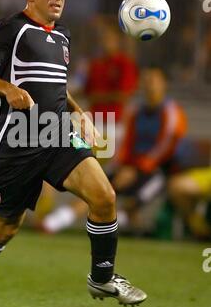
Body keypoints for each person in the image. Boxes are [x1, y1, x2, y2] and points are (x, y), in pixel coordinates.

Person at [0, 0, 147, 307]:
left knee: (104, 196)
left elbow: (57, 89)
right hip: (17, 141)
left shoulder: (63, 36)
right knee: (7, 225)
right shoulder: (9, 29)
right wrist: (7, 89)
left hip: (57, 133)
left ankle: (101, 277)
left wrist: (77, 112)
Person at [42, 67, 187, 234]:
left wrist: (138, 167)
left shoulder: (172, 112)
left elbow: (166, 146)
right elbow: (126, 143)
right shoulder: (135, 112)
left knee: (132, 200)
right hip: (130, 168)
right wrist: (122, 166)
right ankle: (55, 221)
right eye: (146, 80)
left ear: (164, 84)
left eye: (153, 80)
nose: (149, 85)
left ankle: (123, 224)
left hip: (159, 171)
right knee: (99, 189)